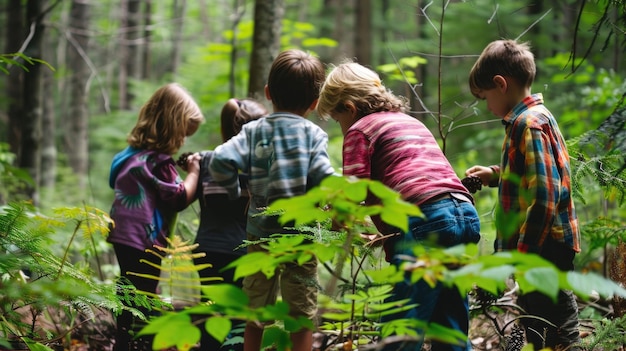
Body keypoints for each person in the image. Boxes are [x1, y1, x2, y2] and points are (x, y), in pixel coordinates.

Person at [316, 61, 481, 351]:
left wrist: (336, 220)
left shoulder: (359, 129)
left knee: (402, 326)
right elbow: (414, 177)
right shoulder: (410, 122)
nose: (341, 127)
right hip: (463, 214)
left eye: (336, 117)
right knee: (449, 322)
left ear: (350, 108)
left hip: (425, 221)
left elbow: (353, 191)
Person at [209, 49, 335, 351]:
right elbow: (324, 176)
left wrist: (236, 191)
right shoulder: (313, 135)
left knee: (254, 312)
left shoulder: (253, 131)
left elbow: (220, 160)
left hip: (260, 235)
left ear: (268, 93)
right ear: (315, 102)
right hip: (301, 238)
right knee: (301, 316)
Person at [464, 39, 581, 350]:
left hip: (544, 243)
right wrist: (494, 175)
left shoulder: (528, 124)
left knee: (551, 316)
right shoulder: (536, 118)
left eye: (485, 97)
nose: (486, 106)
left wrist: (524, 250)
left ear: (501, 85)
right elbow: (533, 175)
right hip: (544, 241)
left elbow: (544, 194)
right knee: (538, 313)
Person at [107, 83, 204, 351]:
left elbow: (112, 179)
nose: (183, 141)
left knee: (128, 286)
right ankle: (143, 343)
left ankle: (123, 339)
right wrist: (194, 171)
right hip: (145, 239)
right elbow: (179, 197)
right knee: (147, 294)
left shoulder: (127, 156)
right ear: (171, 127)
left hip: (121, 233)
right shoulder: (160, 162)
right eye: (183, 134)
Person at [191, 98, 268, 351]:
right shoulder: (261, 168)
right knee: (239, 318)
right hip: (242, 252)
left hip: (207, 249)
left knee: (211, 313)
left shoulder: (205, 161)